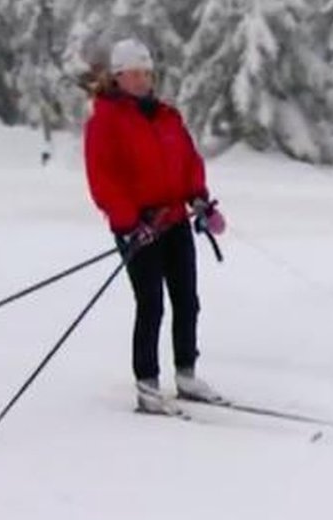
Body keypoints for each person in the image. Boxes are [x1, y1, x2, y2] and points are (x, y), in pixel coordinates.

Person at [83, 38, 228, 415]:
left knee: (187, 300)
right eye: (135, 73)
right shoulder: (106, 120)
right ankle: (147, 385)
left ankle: (186, 375)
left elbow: (188, 161)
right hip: (139, 226)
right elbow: (103, 180)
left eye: (147, 73)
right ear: (118, 77)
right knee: (151, 305)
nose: (144, 80)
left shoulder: (167, 115)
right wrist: (129, 223)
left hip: (175, 221)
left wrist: (199, 198)